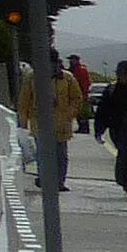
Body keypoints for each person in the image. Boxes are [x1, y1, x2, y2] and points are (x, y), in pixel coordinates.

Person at [20, 59, 87, 192]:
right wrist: (23, 122)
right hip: (39, 123)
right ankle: (45, 180)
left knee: (61, 154)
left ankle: (60, 182)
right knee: (43, 153)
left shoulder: (68, 78)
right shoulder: (32, 77)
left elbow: (77, 99)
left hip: (61, 124)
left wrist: (69, 114)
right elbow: (24, 100)